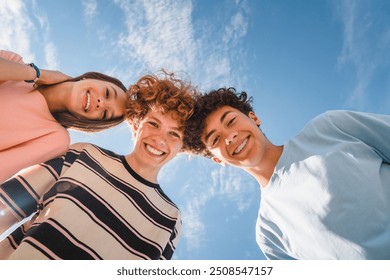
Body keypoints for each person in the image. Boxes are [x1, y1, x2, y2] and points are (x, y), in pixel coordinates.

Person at [0, 71, 196, 260]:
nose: (160, 139)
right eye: (153, 124)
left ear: (181, 147)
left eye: (174, 134)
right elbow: (6, 206)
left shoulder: (170, 219)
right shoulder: (82, 155)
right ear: (136, 126)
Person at [185, 87, 390, 260]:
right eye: (215, 140)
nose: (230, 136)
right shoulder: (269, 235)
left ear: (254, 118)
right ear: (217, 160)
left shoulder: (330, 127)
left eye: (230, 121)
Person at [0, 50, 128, 183]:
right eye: (107, 93)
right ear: (92, 78)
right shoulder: (15, 63)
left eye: (105, 114)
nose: (101, 104)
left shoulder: (56, 139)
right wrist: (36, 74)